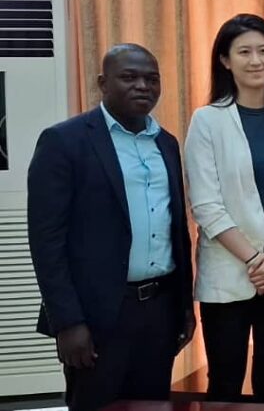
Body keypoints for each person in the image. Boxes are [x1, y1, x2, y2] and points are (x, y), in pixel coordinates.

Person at [27, 44, 195, 411]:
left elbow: (176, 229)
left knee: (152, 406)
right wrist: (67, 322)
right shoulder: (64, 141)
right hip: (97, 316)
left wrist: (184, 308)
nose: (142, 86)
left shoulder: (166, 143)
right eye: (129, 77)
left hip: (159, 312)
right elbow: (46, 242)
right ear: (103, 83)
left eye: (151, 79)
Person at [183, 14, 264, 401]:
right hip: (229, 269)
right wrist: (257, 262)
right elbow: (206, 205)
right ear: (225, 60)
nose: (256, 60)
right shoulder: (208, 121)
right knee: (225, 382)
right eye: (244, 52)